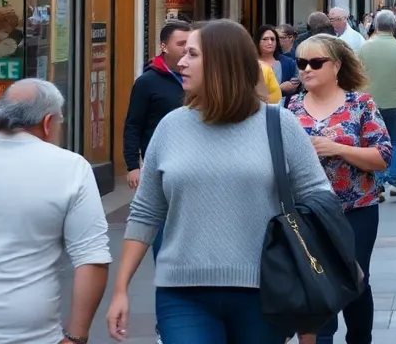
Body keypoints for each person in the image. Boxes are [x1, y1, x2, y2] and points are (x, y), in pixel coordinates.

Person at [106, 20, 332, 343]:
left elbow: (318, 200)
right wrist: (120, 290)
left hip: (265, 292)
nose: (181, 61)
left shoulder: (279, 124)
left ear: (221, 63)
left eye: (192, 54)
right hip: (182, 292)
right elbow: (145, 212)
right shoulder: (171, 127)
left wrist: (309, 307)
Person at [0, 79, 111, 344]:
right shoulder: (70, 167)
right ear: (48, 123)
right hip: (29, 336)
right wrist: (76, 337)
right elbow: (92, 258)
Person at [289, 34, 391, 344]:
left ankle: (360, 338)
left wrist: (336, 148)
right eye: (301, 63)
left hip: (355, 209)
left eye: (315, 63)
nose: (307, 69)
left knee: (355, 278)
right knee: (317, 280)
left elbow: (382, 156)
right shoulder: (291, 107)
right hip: (307, 212)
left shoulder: (360, 104)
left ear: (335, 66)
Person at [122, 20, 190, 262]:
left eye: (189, 45)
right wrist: (133, 166)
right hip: (159, 168)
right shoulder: (147, 82)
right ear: (164, 46)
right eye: (180, 43)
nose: (185, 49)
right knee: (162, 225)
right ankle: (165, 271)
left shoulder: (198, 77)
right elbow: (133, 125)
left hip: (192, 165)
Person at [357, 9, 396, 197]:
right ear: (393, 26)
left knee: (372, 144)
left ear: (374, 25)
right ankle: (393, 178)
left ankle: (378, 182)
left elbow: (354, 75)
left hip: (369, 103)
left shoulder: (363, 48)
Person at [257, 25, 300, 99]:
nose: (270, 42)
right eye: (265, 39)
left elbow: (296, 81)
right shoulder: (250, 63)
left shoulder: (289, 62)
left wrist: (291, 85)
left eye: (273, 39)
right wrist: (279, 89)